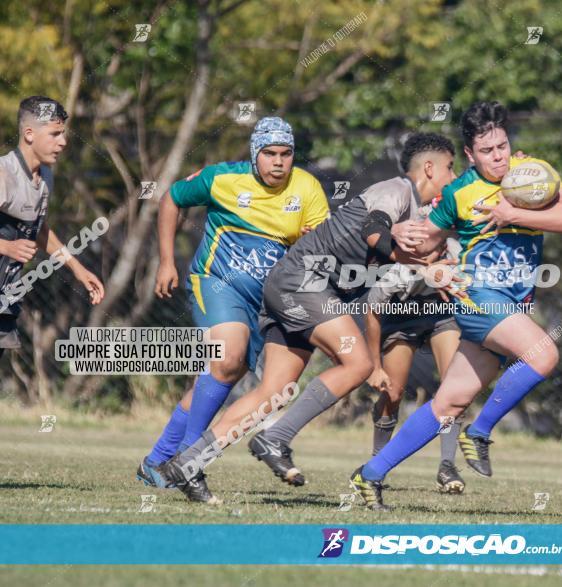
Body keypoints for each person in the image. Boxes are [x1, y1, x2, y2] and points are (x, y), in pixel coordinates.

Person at [155, 132, 458, 492]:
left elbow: (399, 250)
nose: (454, 177)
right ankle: (276, 438)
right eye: (451, 168)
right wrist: (410, 255)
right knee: (359, 364)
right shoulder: (396, 189)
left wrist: (435, 267)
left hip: (297, 285)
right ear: (429, 168)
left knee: (273, 391)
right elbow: (374, 231)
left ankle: (187, 463)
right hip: (305, 283)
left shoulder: (416, 210)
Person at [350, 101, 562, 510]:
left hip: (515, 302)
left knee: (448, 403)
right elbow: (425, 241)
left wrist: (514, 212)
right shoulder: (458, 193)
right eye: (489, 151)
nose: (500, 156)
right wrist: (411, 252)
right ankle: (479, 433)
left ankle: (369, 475)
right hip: (479, 298)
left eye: (503, 146)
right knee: (543, 354)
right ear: (471, 155)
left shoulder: (533, 174)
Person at [137, 117, 329, 503]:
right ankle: (191, 464)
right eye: (270, 153)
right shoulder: (221, 179)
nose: (278, 162)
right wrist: (166, 261)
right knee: (227, 356)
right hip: (216, 282)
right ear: (254, 153)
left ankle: (156, 461)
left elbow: (322, 250)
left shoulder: (307, 187)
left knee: (225, 374)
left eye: (286, 154)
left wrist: (311, 243)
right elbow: (172, 198)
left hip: (268, 300)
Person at [364, 220, 466, 493]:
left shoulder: (455, 253)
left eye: (437, 243)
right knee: (393, 392)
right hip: (400, 315)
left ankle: (447, 466)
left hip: (441, 313)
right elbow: (372, 314)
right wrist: (375, 367)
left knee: (455, 386)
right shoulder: (397, 270)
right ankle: (377, 463)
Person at [0, 96, 104, 360]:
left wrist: (78, 269)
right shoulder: (4, 174)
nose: (63, 142)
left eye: (63, 133)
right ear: (29, 134)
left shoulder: (45, 177)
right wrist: (7, 246)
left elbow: (39, 229)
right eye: (55, 134)